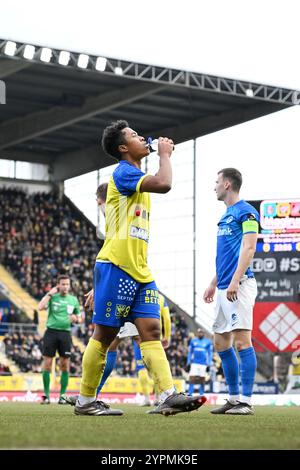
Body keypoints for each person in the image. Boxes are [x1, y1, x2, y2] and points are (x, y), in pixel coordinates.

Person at [74, 120, 206, 416]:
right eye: (134, 135)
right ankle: (84, 401)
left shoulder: (135, 176)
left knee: (151, 330)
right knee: (104, 336)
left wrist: (161, 157)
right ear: (123, 148)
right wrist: (165, 155)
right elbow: (166, 183)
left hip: (140, 271)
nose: (141, 137)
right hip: (117, 267)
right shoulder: (123, 173)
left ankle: (168, 394)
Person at [203, 168, 259, 415]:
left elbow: (248, 249)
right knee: (221, 343)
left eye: (216, 182)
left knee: (242, 342)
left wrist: (235, 281)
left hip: (240, 286)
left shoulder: (246, 211)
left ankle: (245, 401)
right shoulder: (226, 215)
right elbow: (227, 256)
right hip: (225, 286)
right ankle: (233, 398)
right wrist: (214, 282)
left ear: (227, 184)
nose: (214, 186)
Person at [38, 274, 81, 404]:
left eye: (67, 284)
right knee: (47, 364)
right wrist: (50, 294)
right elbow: (40, 307)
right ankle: (46, 396)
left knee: (65, 365)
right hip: (51, 332)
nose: (65, 286)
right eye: (63, 284)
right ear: (58, 285)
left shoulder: (73, 300)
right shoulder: (52, 297)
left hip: (65, 334)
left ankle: (62, 396)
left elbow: (80, 318)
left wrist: (76, 319)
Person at [186, 328, 213, 396]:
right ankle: (190, 394)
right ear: (197, 333)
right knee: (192, 378)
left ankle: (201, 394)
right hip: (194, 363)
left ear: (204, 333)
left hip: (203, 364)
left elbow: (210, 353)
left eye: (202, 332)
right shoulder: (193, 341)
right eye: (199, 332)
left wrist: (209, 363)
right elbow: (190, 352)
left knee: (202, 379)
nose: (200, 333)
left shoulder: (207, 342)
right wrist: (188, 362)